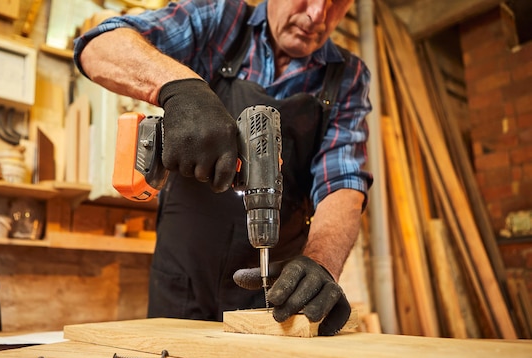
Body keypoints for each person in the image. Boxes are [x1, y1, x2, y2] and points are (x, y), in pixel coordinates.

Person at [74, 0, 372, 335]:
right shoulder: (219, 19)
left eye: (337, 3)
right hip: (182, 278)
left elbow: (344, 181)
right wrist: (179, 88)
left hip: (276, 288)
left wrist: (320, 263)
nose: (318, 15)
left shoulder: (348, 75)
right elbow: (97, 46)